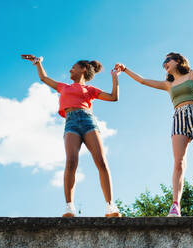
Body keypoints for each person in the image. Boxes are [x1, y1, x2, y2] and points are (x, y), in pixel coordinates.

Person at [115, 52, 193, 217]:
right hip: (179, 118)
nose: (164, 64)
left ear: (178, 61)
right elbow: (143, 80)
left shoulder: (192, 74)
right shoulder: (168, 84)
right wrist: (126, 69)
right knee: (178, 163)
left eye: (167, 60)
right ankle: (175, 206)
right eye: (163, 62)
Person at [22, 54, 121, 217]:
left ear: (83, 69)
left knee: (101, 161)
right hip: (71, 123)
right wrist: (37, 63)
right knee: (71, 162)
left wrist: (115, 78)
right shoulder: (64, 87)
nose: (70, 70)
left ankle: (110, 206)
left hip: (88, 121)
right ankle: (69, 207)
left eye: (73, 67)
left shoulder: (90, 90)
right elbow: (44, 78)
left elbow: (113, 97)